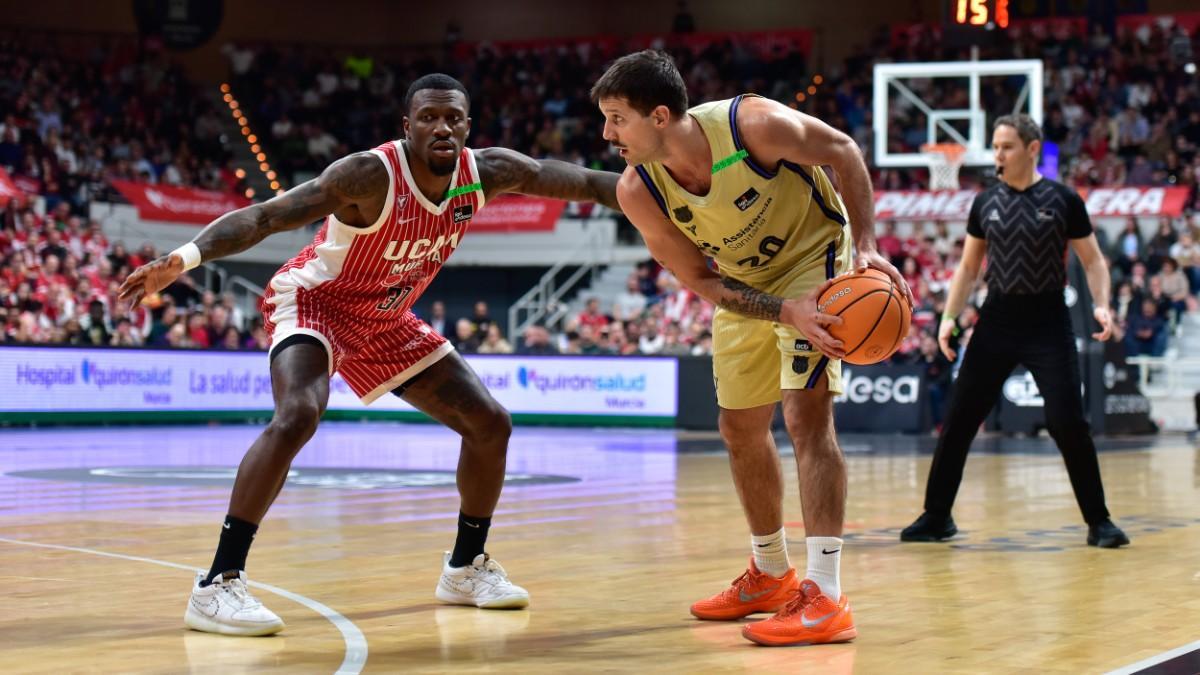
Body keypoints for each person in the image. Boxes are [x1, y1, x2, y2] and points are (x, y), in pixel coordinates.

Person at [118, 73, 621, 636]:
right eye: (428, 116)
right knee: (298, 415)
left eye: (453, 117)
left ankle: (464, 568)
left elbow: (584, 182)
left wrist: (661, 188)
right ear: (406, 127)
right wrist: (183, 260)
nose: (442, 127)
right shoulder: (368, 175)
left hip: (384, 317)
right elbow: (264, 216)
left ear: (468, 127)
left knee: (490, 424)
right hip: (316, 302)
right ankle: (217, 584)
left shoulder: (488, 172)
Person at [592, 50, 909, 647]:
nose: (607, 134)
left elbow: (844, 150)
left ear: (660, 116)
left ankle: (827, 595)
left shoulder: (752, 125)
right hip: (744, 281)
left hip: (817, 259)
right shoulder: (640, 191)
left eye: (616, 118)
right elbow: (703, 281)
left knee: (806, 416)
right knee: (738, 428)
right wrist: (779, 309)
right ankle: (769, 572)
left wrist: (864, 246)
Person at [901, 114, 1129, 549]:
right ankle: (936, 516)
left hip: (1048, 322)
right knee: (959, 420)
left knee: (1068, 424)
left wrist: (1102, 305)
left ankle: (1099, 521)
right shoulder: (984, 202)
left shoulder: (1063, 199)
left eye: (1006, 146)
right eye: (996, 146)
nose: (997, 154)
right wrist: (949, 319)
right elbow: (969, 268)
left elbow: (1094, 260)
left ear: (1031, 149)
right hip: (997, 320)